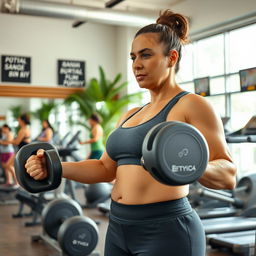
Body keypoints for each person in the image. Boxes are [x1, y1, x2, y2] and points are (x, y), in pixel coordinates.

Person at [24, 10, 237, 256]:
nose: (136, 64)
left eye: (146, 55)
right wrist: (55, 167)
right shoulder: (130, 114)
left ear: (171, 57)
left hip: (166, 229)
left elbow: (228, 174)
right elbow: (105, 168)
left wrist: (186, 165)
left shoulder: (191, 105)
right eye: (133, 57)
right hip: (118, 228)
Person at [2, 114, 31, 187]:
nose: (18, 121)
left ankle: (17, 182)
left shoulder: (23, 130)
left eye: (19, 120)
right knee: (10, 166)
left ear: (22, 121)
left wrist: (7, 141)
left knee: (8, 165)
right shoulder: (26, 128)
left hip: (21, 150)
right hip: (22, 150)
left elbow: (16, 142)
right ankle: (16, 182)